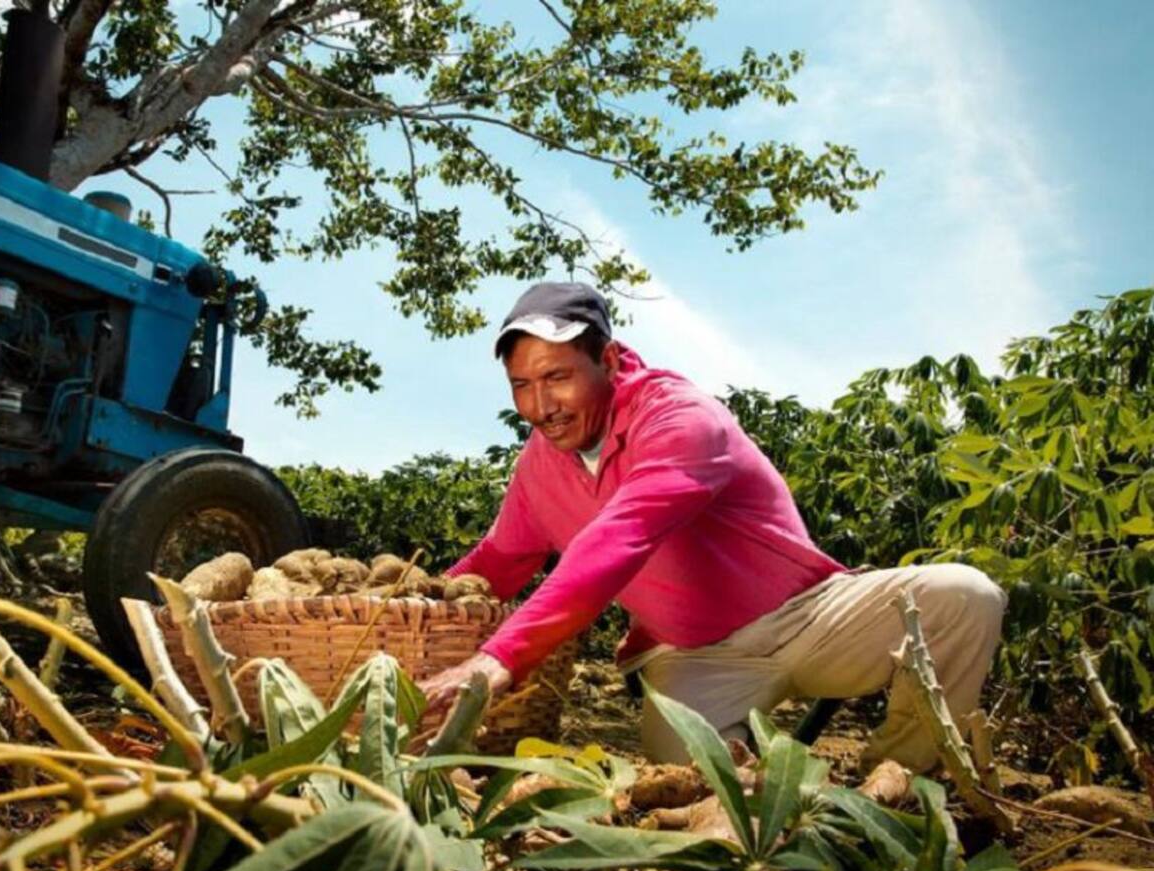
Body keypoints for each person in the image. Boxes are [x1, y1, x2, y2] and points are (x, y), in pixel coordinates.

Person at [419, 282, 1006, 771]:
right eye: (522, 385)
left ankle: (898, 785)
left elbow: (620, 537)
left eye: (557, 377)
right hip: (693, 655)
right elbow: (501, 560)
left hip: (808, 618)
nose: (540, 405)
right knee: (690, 774)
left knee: (963, 597)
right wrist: (407, 605)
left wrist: (500, 658)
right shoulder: (540, 464)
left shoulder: (680, 417)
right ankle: (765, 787)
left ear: (609, 361)